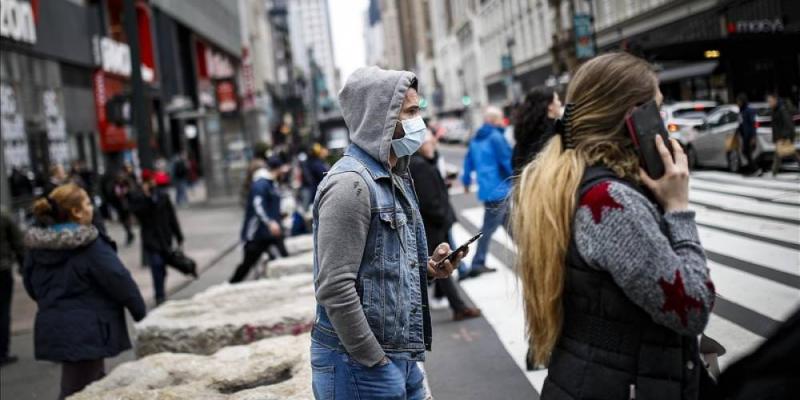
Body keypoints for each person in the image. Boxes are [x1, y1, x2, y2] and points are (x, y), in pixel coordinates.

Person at [512, 53, 716, 399]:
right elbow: (692, 308)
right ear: (635, 117)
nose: (665, 123)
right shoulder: (609, 202)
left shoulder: (569, 179)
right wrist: (678, 208)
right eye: (659, 108)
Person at [310, 66, 465, 399]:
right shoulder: (349, 185)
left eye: (418, 111)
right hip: (361, 366)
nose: (419, 122)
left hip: (400, 358)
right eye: (410, 112)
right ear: (380, 118)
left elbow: (379, 270)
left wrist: (429, 269)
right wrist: (374, 360)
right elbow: (335, 287)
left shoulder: (394, 175)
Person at [23, 183, 146, 399]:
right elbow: (119, 279)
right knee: (76, 391)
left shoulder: (37, 247)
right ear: (76, 212)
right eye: (88, 203)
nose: (92, 207)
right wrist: (140, 312)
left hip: (56, 326)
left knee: (93, 384)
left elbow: (31, 285)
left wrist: (52, 302)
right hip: (88, 331)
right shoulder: (89, 245)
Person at [410, 129, 482, 321]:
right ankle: (458, 307)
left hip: (435, 222)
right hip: (434, 224)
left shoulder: (423, 163)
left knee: (440, 264)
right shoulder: (420, 166)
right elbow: (428, 201)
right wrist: (443, 217)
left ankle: (446, 299)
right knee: (441, 264)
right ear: (420, 146)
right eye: (429, 144)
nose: (433, 145)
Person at [461, 106, 513, 278]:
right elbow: (506, 162)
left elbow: (468, 162)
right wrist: (518, 178)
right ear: (492, 120)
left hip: (488, 189)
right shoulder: (496, 137)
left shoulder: (476, 138)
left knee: (511, 224)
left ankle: (532, 254)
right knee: (488, 228)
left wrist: (467, 181)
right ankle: (477, 262)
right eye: (500, 118)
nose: (502, 121)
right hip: (500, 189)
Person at [129, 170, 184, 304]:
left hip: (165, 237)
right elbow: (138, 214)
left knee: (162, 268)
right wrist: (146, 197)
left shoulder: (163, 196)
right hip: (151, 238)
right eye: (147, 182)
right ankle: (159, 295)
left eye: (152, 181)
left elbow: (172, 217)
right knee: (156, 264)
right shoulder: (139, 198)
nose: (151, 184)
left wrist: (179, 235)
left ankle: (161, 291)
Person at [229, 157, 285, 283]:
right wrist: (270, 222)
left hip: (267, 234)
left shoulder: (270, 183)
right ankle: (231, 284)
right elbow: (258, 207)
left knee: (281, 257)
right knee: (247, 265)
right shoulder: (261, 184)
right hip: (257, 235)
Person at [512, 87, 562, 176]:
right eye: (557, 100)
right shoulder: (556, 132)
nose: (560, 103)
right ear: (550, 106)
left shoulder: (522, 136)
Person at [0, 210, 25, 367]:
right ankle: (2, 352)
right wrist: (23, 264)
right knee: (3, 310)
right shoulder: (2, 214)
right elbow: (17, 241)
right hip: (2, 269)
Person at [766, 93, 800, 176]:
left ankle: (774, 173)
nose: (769, 103)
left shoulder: (782, 110)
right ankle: (774, 172)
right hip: (780, 136)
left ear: (775, 100)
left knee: (789, 153)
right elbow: (775, 126)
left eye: (770, 101)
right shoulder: (775, 110)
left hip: (784, 136)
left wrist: (785, 136)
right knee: (780, 154)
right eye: (768, 101)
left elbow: (788, 123)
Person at [736, 93, 758, 175]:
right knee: (746, 152)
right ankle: (752, 168)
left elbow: (753, 124)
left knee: (747, 152)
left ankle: (754, 169)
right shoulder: (741, 111)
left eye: (738, 101)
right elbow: (741, 123)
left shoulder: (748, 111)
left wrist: (753, 137)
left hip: (749, 135)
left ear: (742, 101)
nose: (737, 103)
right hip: (745, 136)